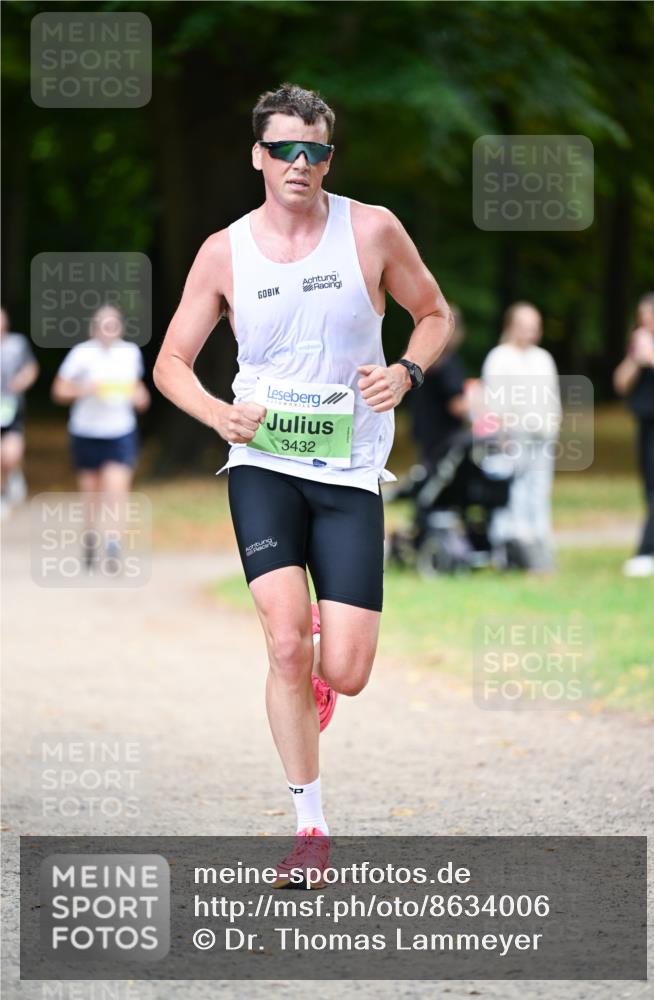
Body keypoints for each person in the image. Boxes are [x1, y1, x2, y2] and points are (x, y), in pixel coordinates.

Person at [153, 82, 452, 883]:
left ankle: (320, 654)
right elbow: (171, 362)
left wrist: (406, 371)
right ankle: (310, 828)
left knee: (344, 669)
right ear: (258, 156)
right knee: (285, 644)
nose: (298, 162)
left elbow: (434, 314)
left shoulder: (372, 229)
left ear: (328, 158)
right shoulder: (224, 251)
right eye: (283, 148)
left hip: (349, 469)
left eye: (312, 150)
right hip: (263, 464)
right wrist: (219, 415)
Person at [51, 303, 150, 568]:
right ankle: (91, 537)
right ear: (94, 328)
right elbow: (59, 390)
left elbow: (138, 390)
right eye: (103, 325)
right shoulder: (81, 354)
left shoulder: (130, 353)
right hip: (86, 431)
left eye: (113, 324)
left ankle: (113, 543)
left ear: (120, 328)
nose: (108, 329)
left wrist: (140, 397)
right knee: (91, 494)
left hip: (119, 431)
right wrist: (87, 388)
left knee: (116, 491)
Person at [481, 302, 561, 572]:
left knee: (539, 490)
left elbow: (552, 398)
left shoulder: (543, 358)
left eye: (535, 326)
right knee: (515, 492)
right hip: (513, 437)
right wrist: (501, 432)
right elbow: (494, 401)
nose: (531, 332)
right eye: (525, 326)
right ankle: (516, 548)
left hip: (542, 436)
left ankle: (540, 544)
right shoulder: (499, 358)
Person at [613, 292, 654, 577]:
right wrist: (636, 357)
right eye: (642, 319)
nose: (647, 325)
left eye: (652, 319)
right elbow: (620, 383)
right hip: (645, 424)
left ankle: (648, 551)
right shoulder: (638, 351)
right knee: (651, 488)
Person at [409, 305, 468, 468]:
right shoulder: (449, 363)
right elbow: (456, 405)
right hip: (446, 436)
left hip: (424, 431)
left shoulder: (419, 359)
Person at [0, 307, 39, 514]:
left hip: (10, 408)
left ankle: (12, 474)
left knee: (10, 454)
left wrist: (21, 382)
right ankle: (2, 494)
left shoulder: (17, 344)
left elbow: (31, 368)